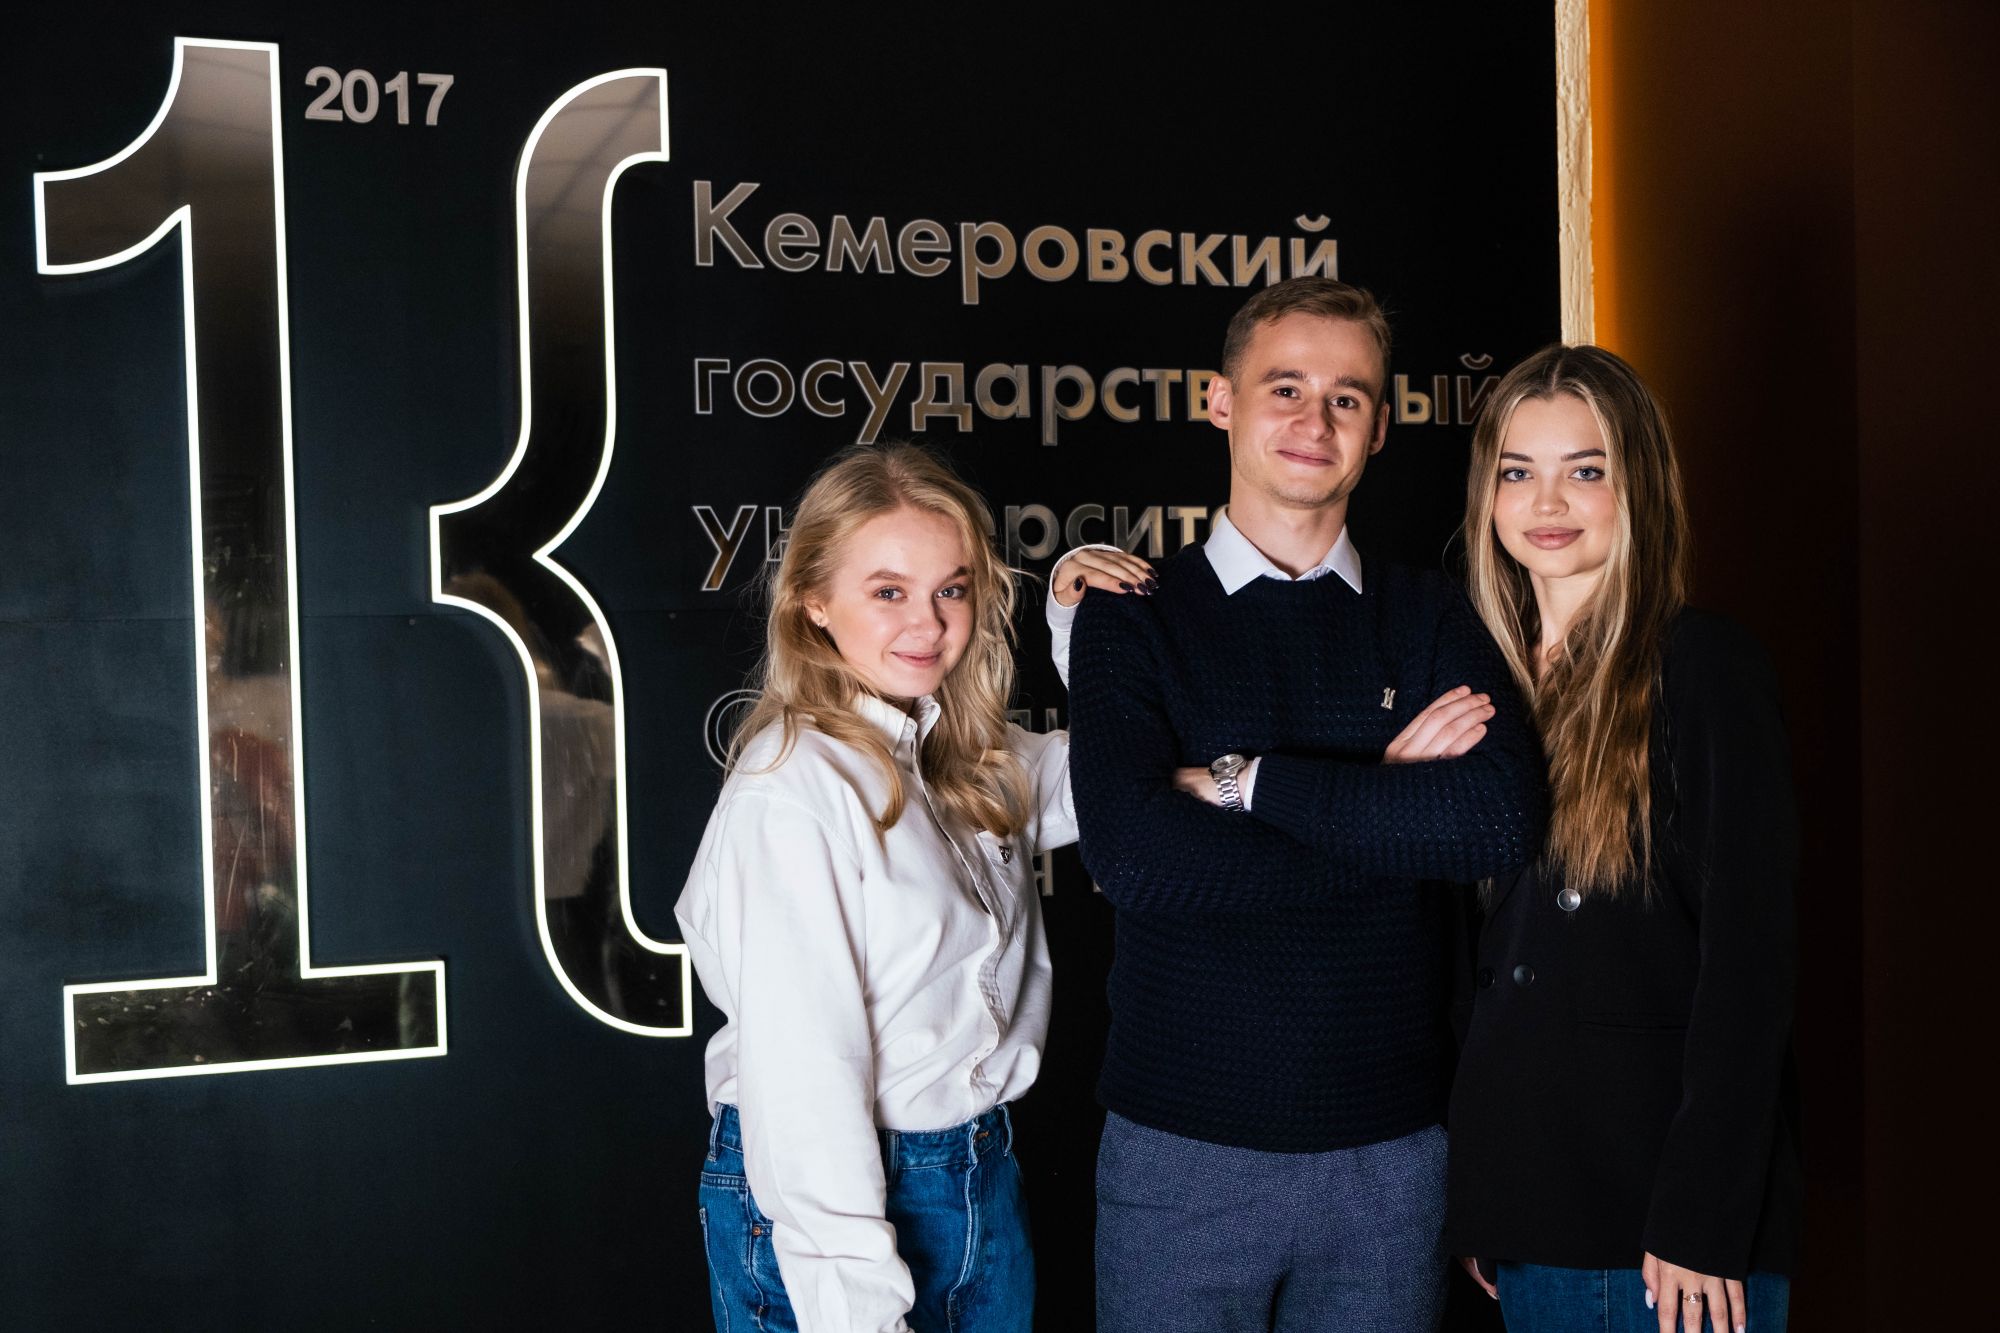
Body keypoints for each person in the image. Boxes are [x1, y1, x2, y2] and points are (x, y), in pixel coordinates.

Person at [1045, 276, 1547, 1333]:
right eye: (1284, 388)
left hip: (1391, 1156)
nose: (1314, 421)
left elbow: (1496, 820)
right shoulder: (1128, 616)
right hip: (1180, 1154)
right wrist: (1390, 807)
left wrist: (1248, 785)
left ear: (1379, 428)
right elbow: (1136, 859)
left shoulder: (1429, 612)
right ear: (1220, 402)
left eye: (1346, 397)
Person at [674, 443, 1076, 1333]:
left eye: (952, 588)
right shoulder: (791, 792)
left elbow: (1114, 785)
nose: (928, 624)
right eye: (888, 591)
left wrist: (1087, 628)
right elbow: (805, 1087)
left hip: (978, 1171)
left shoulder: (956, 750)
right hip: (843, 1200)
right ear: (813, 601)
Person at [1441, 344, 1801, 1333]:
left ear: (1636, 482)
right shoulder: (1478, 683)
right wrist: (1484, 1192)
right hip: (1530, 1204)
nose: (1547, 501)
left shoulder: (1702, 666)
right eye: (1518, 470)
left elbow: (1750, 963)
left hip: (1662, 1225)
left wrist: (1701, 1215)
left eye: (1585, 469)